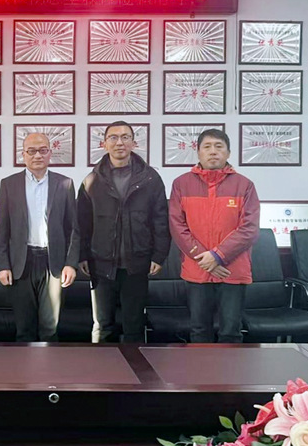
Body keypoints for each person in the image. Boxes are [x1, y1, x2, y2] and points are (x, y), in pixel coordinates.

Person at [74, 121, 170, 343]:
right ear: (104, 143)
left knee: (134, 325)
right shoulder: (92, 180)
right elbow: (82, 223)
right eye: (114, 137)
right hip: (101, 264)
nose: (120, 142)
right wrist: (82, 255)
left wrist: (159, 255)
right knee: (103, 325)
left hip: (137, 263)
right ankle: (103, 366)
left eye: (125, 137)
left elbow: (160, 220)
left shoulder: (150, 179)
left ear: (134, 143)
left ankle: (134, 366)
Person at [169, 128, 260, 343]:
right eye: (207, 147)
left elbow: (249, 228)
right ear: (198, 152)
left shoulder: (244, 185)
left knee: (231, 331)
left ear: (228, 153)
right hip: (197, 268)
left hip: (232, 269)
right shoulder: (181, 184)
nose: (213, 151)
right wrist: (205, 259)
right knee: (199, 330)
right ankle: (200, 368)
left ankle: (229, 368)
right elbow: (177, 225)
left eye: (219, 147)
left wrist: (218, 256)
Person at [0, 133, 78, 342]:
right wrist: (2, 265)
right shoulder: (9, 184)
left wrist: (71, 264)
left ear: (50, 153)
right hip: (21, 262)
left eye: (43, 150)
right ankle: (24, 365)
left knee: (50, 327)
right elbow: (2, 229)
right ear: (23, 154)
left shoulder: (65, 183)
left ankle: (49, 364)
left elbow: (73, 229)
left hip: (54, 262)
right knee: (24, 327)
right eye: (31, 151)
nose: (37, 155)